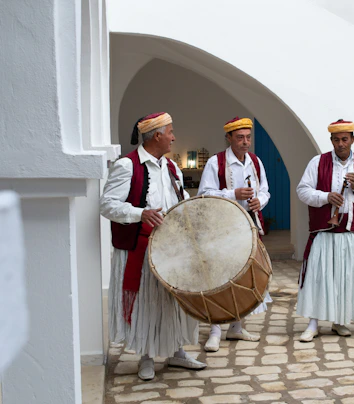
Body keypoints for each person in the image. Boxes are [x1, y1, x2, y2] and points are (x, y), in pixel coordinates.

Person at [100, 112, 206, 381]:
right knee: (147, 302)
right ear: (157, 135)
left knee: (174, 301)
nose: (174, 137)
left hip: (172, 248)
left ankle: (176, 351)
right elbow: (107, 205)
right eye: (170, 132)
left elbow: (179, 202)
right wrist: (140, 213)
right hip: (140, 247)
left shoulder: (173, 168)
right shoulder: (127, 165)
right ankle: (146, 356)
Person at [296, 119, 354, 342]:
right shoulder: (318, 162)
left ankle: (340, 321)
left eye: (345, 139)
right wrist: (325, 197)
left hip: (353, 233)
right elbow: (302, 191)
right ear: (331, 140)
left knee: (347, 278)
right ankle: (313, 324)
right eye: (336, 140)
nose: (341, 144)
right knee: (319, 277)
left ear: (353, 139)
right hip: (325, 231)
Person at [198, 116, 272, 352]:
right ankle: (215, 330)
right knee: (221, 278)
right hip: (223, 229)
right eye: (240, 137)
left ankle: (237, 327)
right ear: (229, 138)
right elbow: (205, 194)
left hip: (248, 226)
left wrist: (260, 200)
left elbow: (266, 190)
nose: (245, 142)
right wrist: (234, 194)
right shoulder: (215, 162)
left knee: (243, 277)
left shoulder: (256, 162)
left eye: (248, 137)